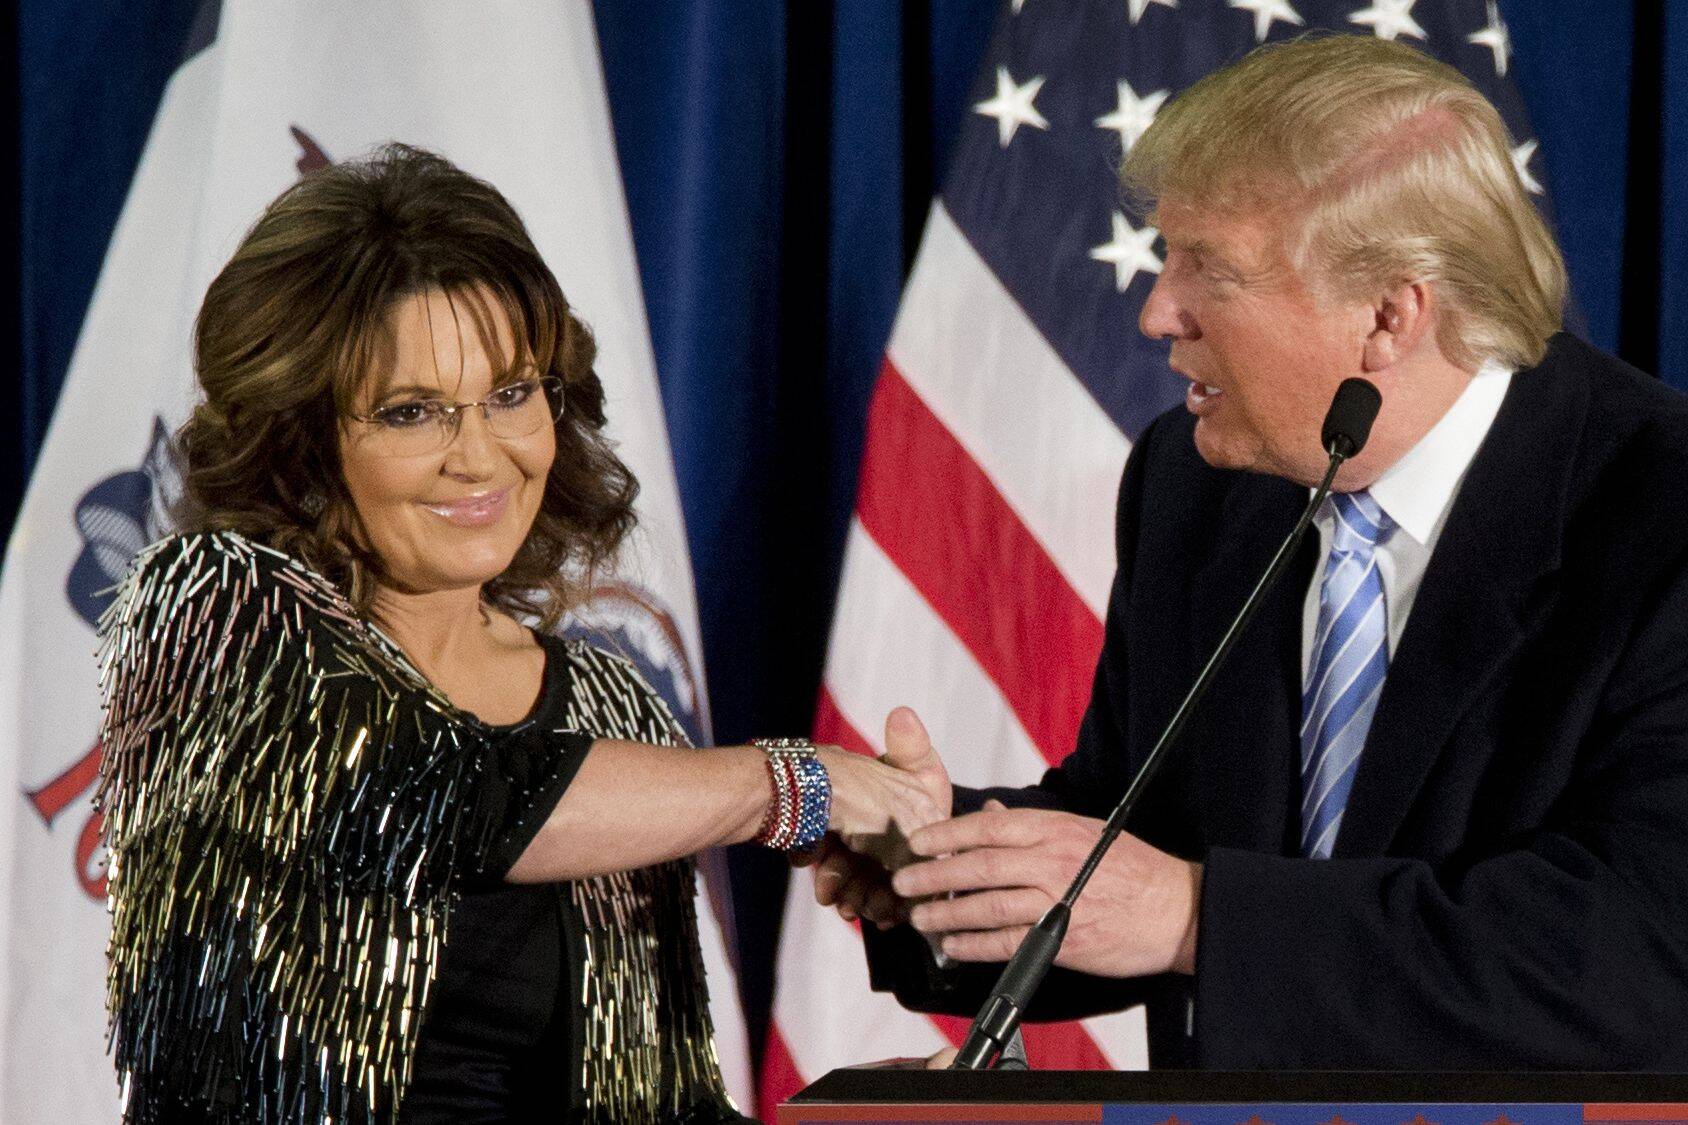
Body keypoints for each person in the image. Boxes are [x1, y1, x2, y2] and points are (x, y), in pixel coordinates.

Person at [834, 35, 1688, 1068]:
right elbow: (1131, 832)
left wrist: (1197, 917)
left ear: (1387, 315)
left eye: (1208, 269)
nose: (1156, 311)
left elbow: (1637, 953)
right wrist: (935, 854)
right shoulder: (1195, 486)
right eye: (1162, 256)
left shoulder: (1658, 510)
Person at [96, 144, 946, 1124]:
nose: (481, 456)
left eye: (511, 394)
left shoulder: (604, 703)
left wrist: (862, 1119)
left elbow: (657, 1105)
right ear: (299, 438)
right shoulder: (207, 607)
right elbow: (435, 797)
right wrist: (793, 785)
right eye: (411, 412)